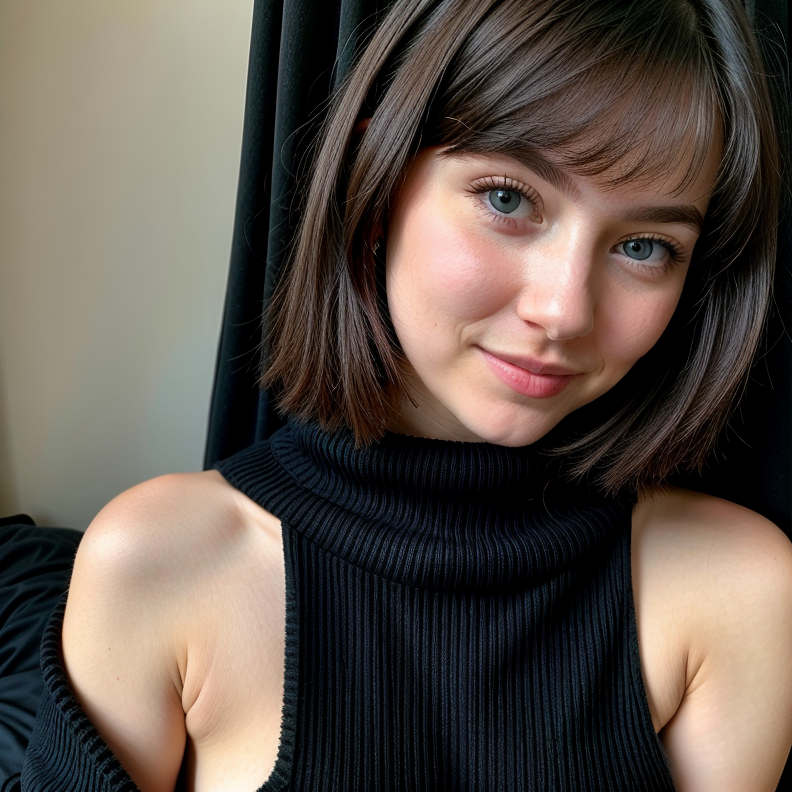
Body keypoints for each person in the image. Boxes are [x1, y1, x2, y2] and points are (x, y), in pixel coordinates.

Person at [18, 0, 792, 789]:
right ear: (378, 178)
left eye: (644, 246)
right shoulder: (158, 563)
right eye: (508, 199)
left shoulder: (736, 590)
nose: (564, 310)